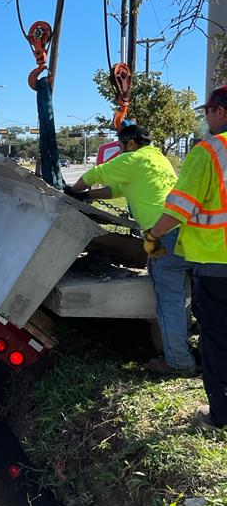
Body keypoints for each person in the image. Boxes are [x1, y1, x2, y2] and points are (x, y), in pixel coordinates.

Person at [66, 123, 197, 377]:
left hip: (162, 235)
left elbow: (91, 176)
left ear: (131, 143)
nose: (119, 149)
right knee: (189, 292)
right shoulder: (156, 158)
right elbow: (118, 189)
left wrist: (72, 192)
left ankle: (179, 362)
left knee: (169, 298)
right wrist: (90, 197)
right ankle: (189, 346)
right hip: (186, 231)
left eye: (120, 144)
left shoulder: (131, 159)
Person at [145, 85, 227, 429]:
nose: (206, 116)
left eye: (207, 110)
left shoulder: (208, 152)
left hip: (216, 265)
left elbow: (179, 209)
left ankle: (219, 416)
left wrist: (152, 235)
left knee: (217, 343)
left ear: (219, 111)